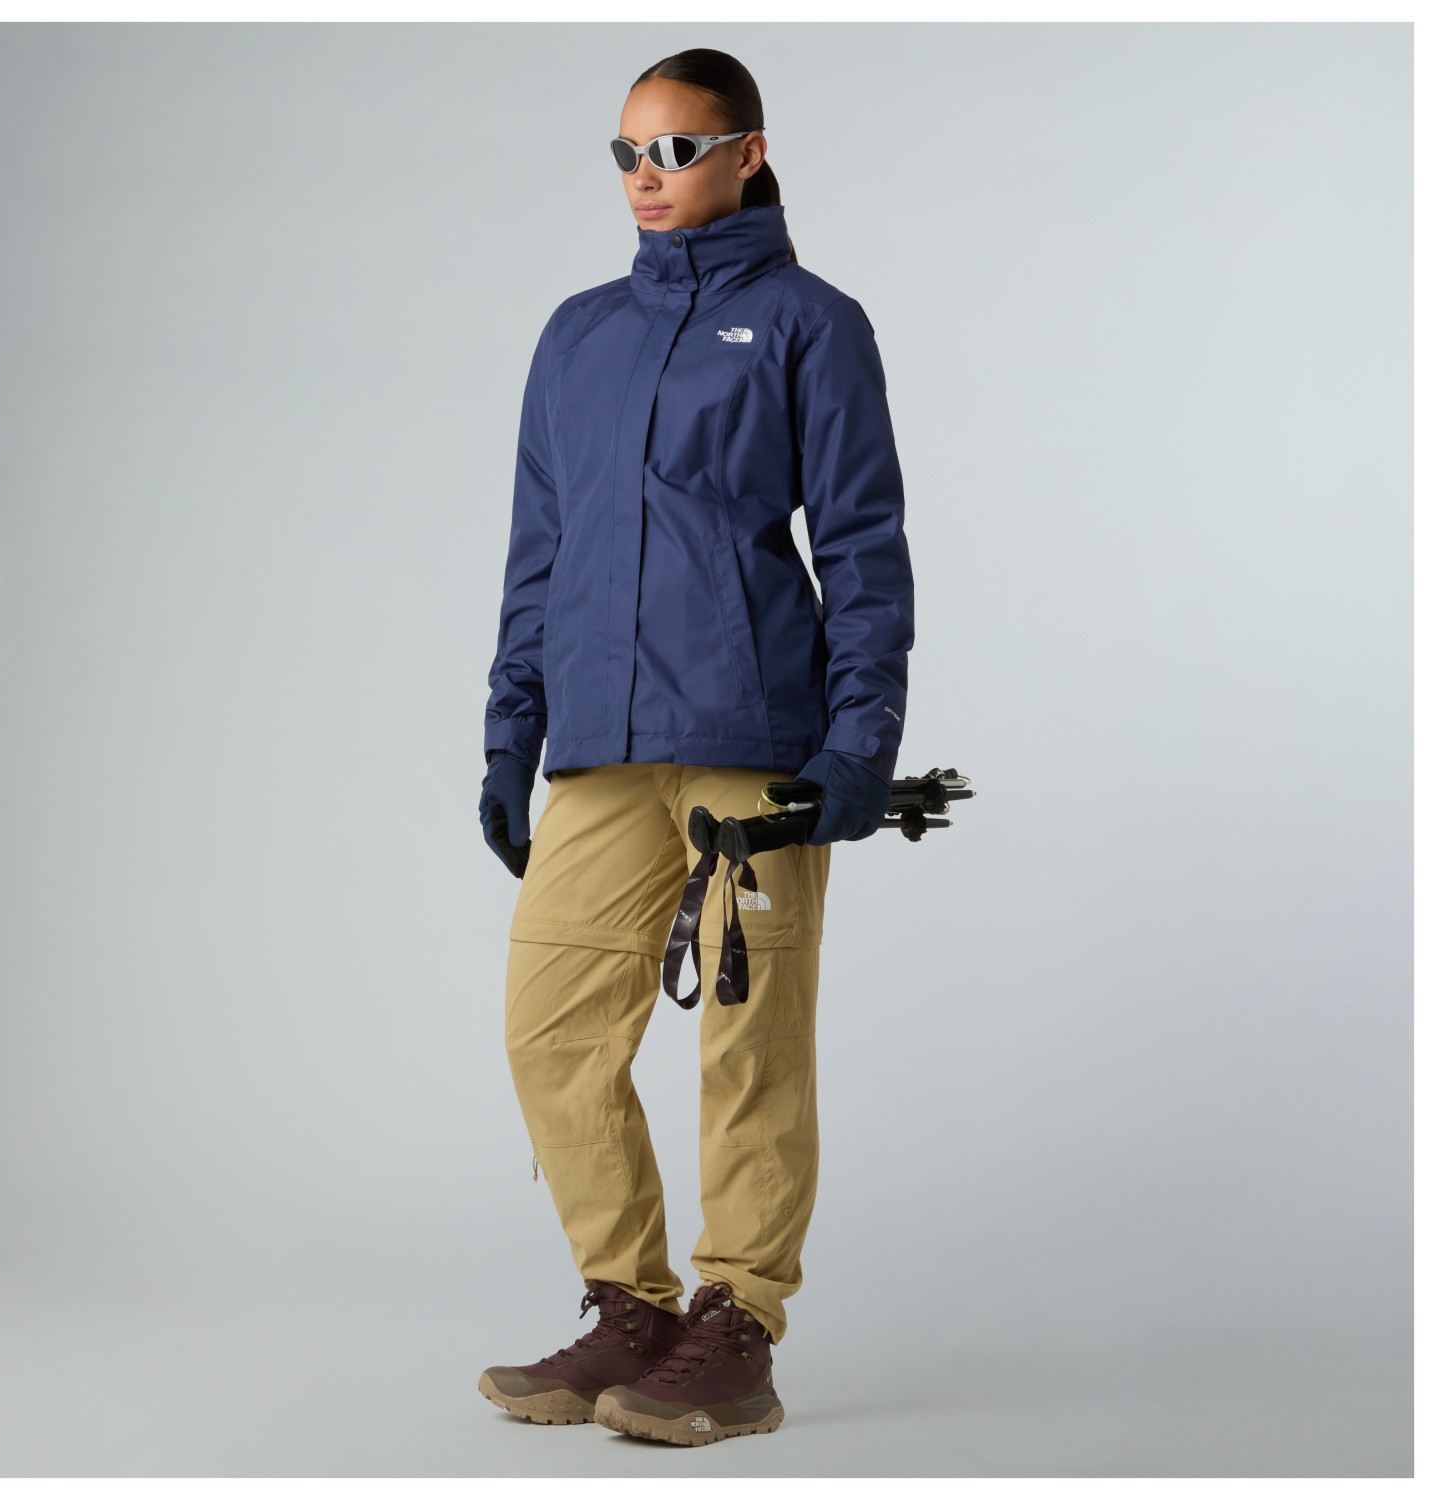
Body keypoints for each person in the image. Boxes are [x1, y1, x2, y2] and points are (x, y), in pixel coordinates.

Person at [475, 46, 915, 1447]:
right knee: (551, 1027)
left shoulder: (810, 323)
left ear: (747, 152)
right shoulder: (578, 335)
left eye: (675, 149)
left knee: (749, 1039)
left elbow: (863, 545)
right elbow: (538, 551)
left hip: (753, 742)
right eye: (627, 153)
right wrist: (510, 735)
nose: (646, 177)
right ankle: (631, 1305)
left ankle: (738, 1324)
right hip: (603, 747)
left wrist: (861, 740)